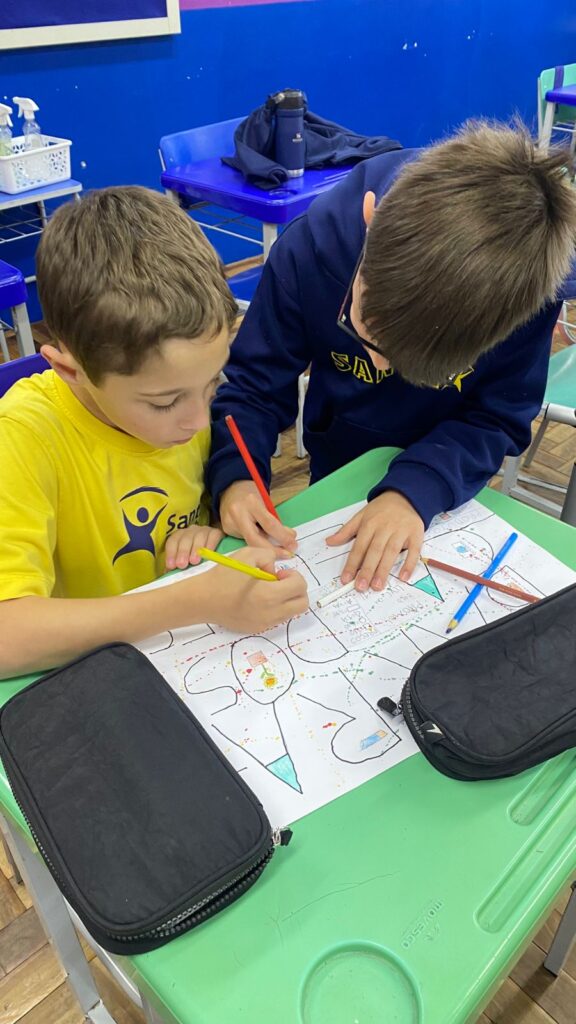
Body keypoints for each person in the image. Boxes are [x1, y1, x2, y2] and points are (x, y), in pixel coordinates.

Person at [207, 121, 576, 592]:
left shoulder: (529, 293)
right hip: (338, 470)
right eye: (364, 332)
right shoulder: (310, 250)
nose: (379, 367)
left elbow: (497, 417)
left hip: (446, 490)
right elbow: (254, 386)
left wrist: (417, 489)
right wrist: (236, 476)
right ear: (370, 218)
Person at [0, 187, 308, 679]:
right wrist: (190, 600)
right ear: (71, 371)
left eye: (213, 383)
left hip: (185, 656)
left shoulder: (181, 405)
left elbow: (184, 513)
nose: (198, 421)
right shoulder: (22, 437)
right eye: (164, 402)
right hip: (86, 674)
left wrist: (207, 531)